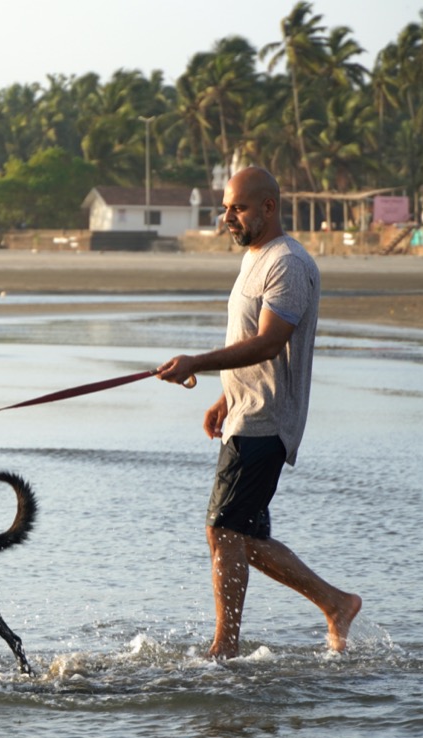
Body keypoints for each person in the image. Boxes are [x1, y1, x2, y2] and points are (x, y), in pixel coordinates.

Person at [157, 166, 361, 659]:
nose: (228, 217)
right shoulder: (255, 257)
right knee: (241, 535)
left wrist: (197, 363)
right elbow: (249, 340)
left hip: (266, 421)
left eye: (239, 208)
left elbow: (269, 343)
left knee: (222, 530)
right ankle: (335, 603)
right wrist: (226, 397)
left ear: (269, 207)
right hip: (245, 413)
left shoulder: (287, 263)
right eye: (225, 208)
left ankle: (225, 647)